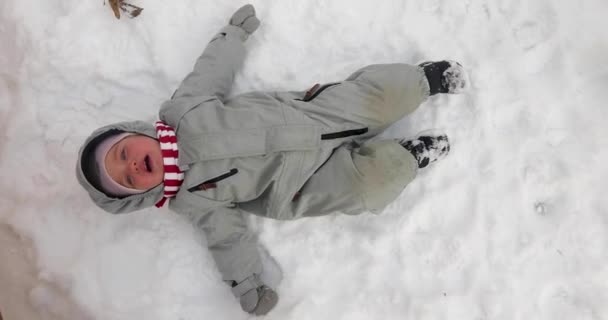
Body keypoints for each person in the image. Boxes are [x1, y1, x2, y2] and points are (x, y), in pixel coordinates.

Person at [75, 4, 467, 316]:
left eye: (124, 153)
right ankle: (409, 157)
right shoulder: (191, 199)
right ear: (139, 194)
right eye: (128, 177)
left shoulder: (183, 109)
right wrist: (247, 283)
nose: (133, 165)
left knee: (375, 98)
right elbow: (227, 238)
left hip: (310, 115)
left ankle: (424, 80)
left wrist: (233, 34)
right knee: (365, 187)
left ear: (135, 133)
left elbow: (211, 71)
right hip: (300, 184)